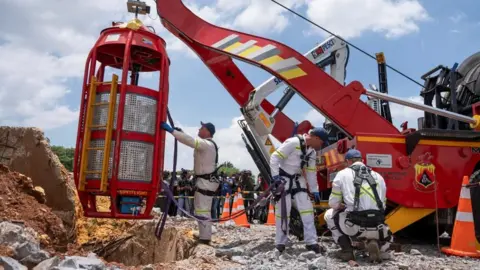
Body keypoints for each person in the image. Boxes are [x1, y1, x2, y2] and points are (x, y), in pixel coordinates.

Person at [324, 149, 392, 262]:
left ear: (347, 162)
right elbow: (383, 205)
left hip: (354, 227)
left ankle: (347, 251)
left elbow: (333, 203)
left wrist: (341, 206)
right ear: (363, 160)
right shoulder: (379, 176)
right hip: (379, 227)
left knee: (329, 214)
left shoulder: (342, 174)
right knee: (372, 216)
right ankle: (374, 242)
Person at [270, 127, 328, 254]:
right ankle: (280, 243)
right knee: (283, 212)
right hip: (284, 179)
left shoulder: (311, 152)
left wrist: (314, 190)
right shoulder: (293, 143)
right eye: (322, 143)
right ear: (316, 138)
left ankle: (311, 242)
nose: (321, 146)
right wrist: (275, 178)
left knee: (307, 211)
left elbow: (311, 172)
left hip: (298, 180)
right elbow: (274, 157)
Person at [161, 121, 219, 245]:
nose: (199, 129)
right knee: (201, 209)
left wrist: (173, 132)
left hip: (205, 182)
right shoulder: (207, 144)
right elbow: (190, 140)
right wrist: (181, 133)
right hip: (204, 181)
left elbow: (190, 141)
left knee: (203, 210)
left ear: (207, 131)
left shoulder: (207, 144)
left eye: (201, 128)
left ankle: (205, 237)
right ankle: (204, 234)